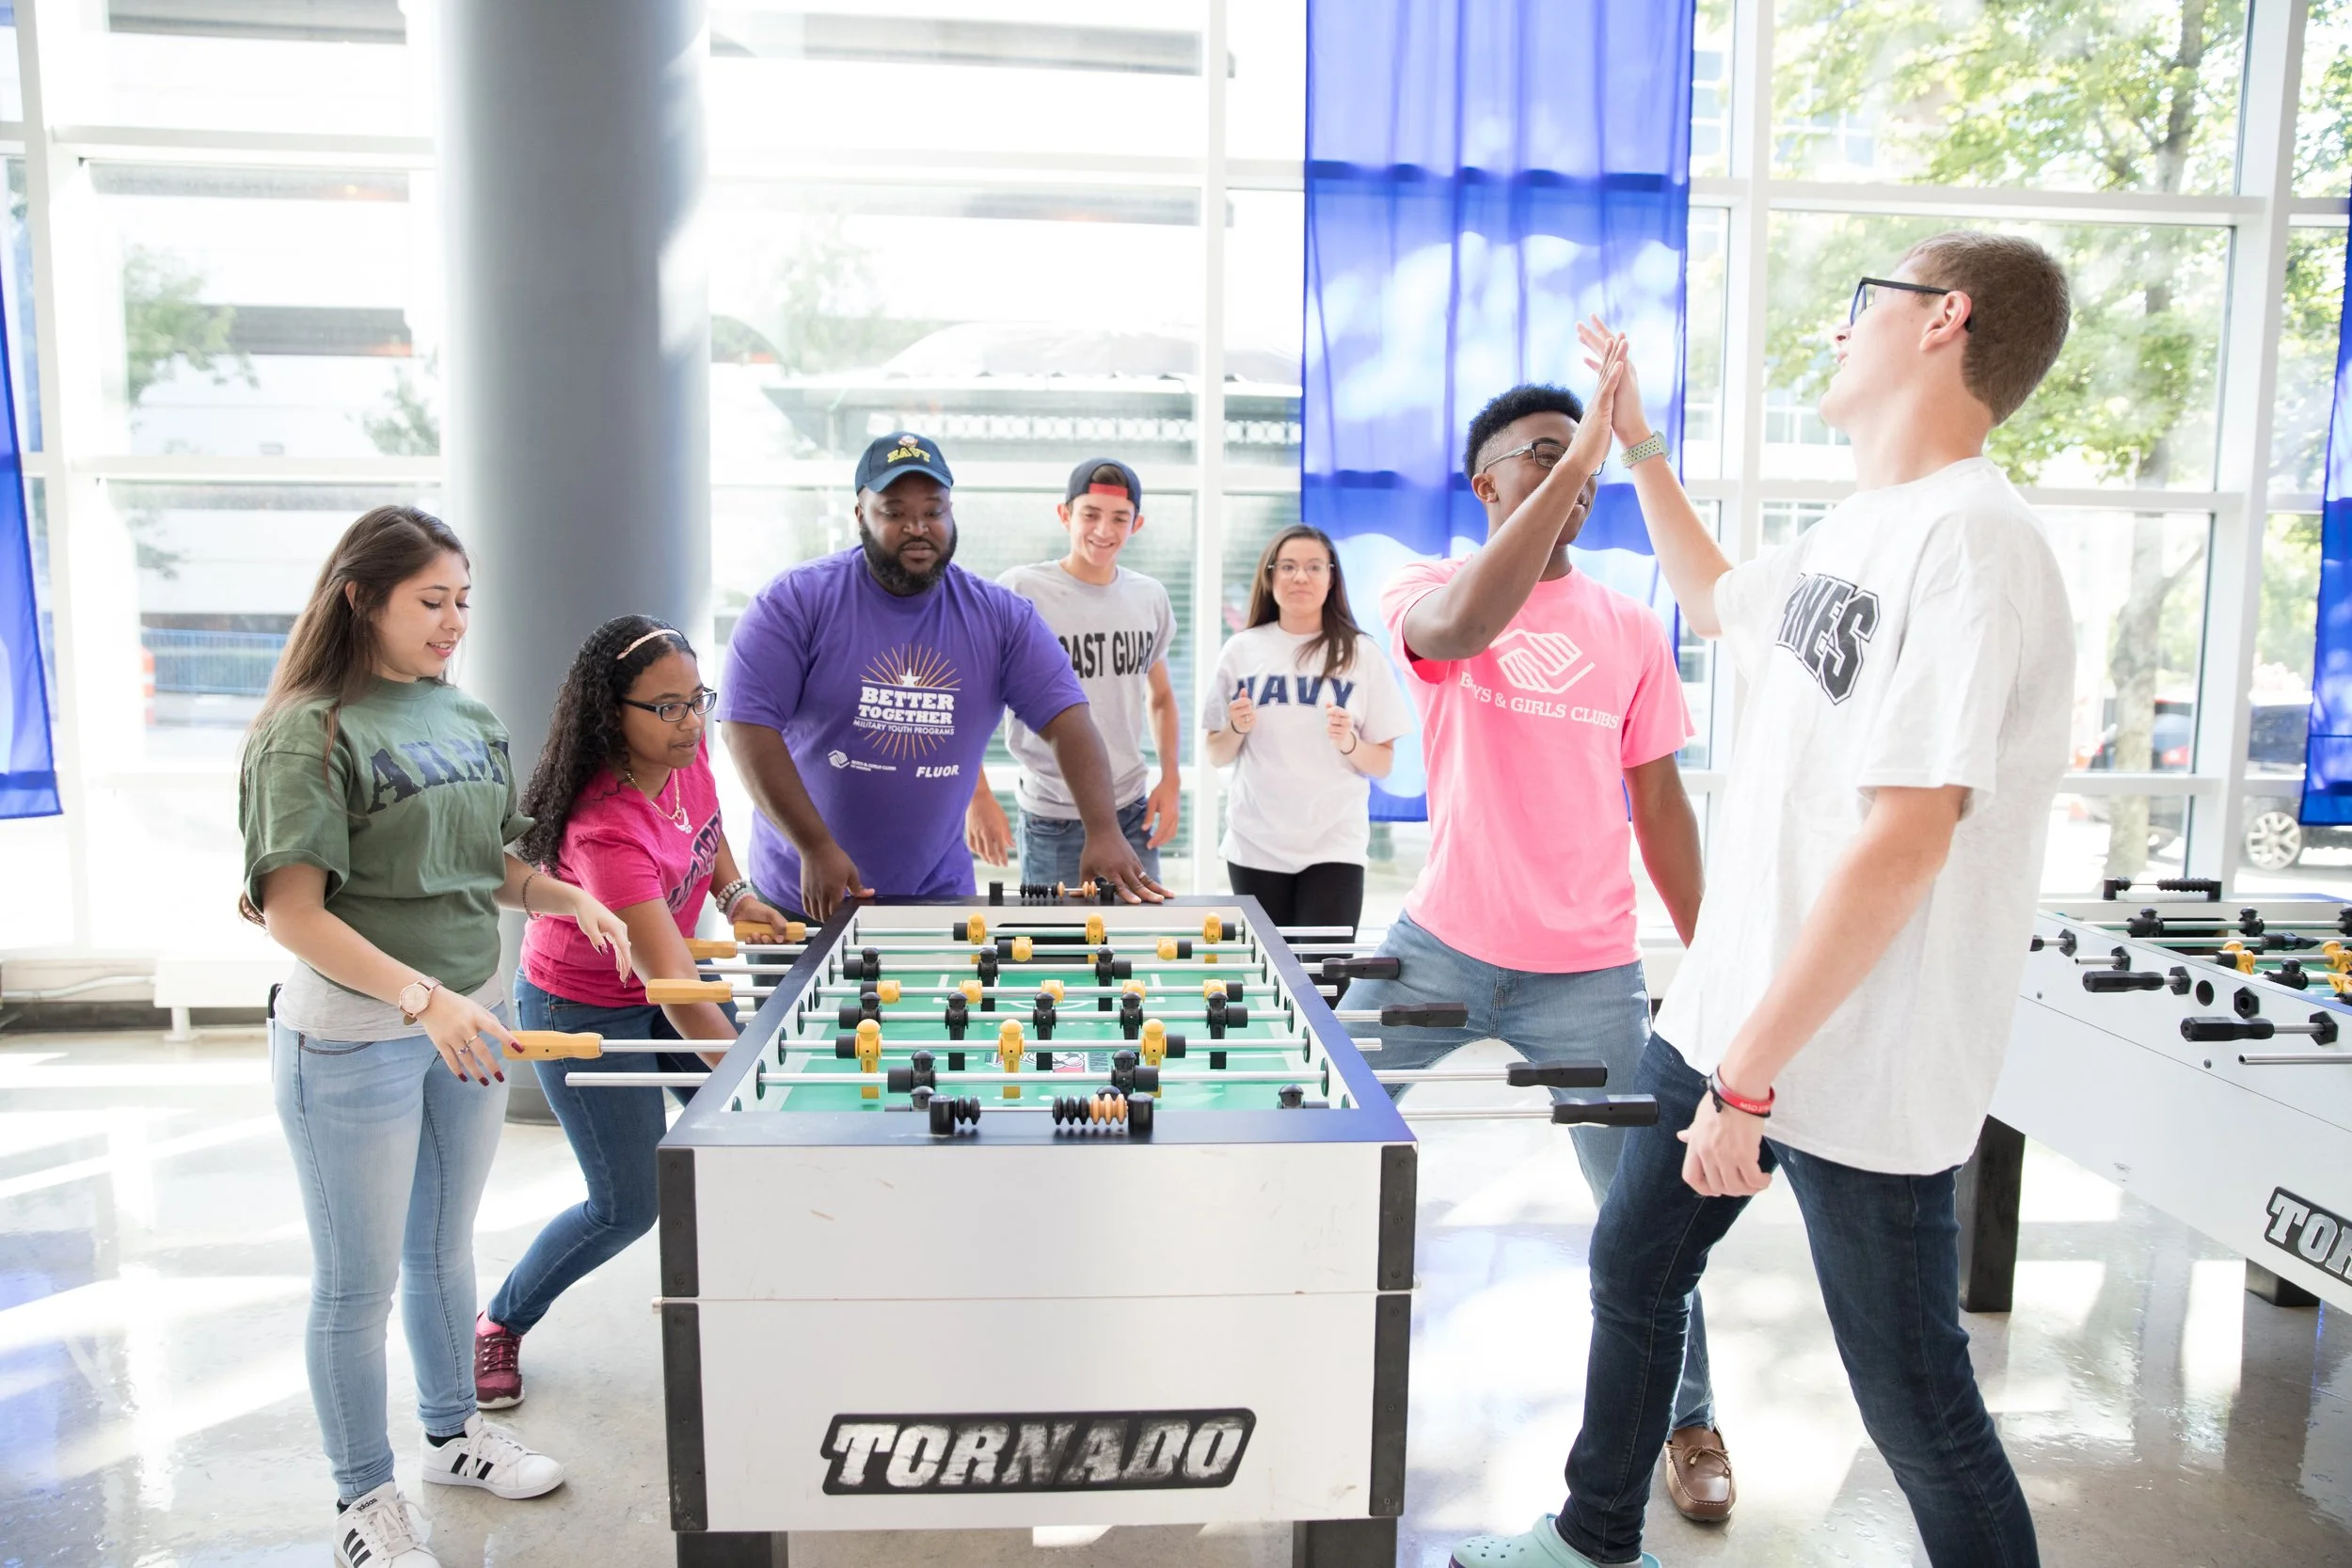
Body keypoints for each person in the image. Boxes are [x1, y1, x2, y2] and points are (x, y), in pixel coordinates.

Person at [1450, 234, 2073, 1568]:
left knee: (1918, 1408)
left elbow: (1907, 840)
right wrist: (1644, 449)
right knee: (1634, 1266)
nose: (1839, 331)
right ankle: (1595, 1531)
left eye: (1867, 305)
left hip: (1848, 1060)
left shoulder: (1975, 540)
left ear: (1944, 321)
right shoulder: (1865, 521)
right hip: (1730, 1016)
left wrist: (1752, 1082)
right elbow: (1721, 600)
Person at [1343, 341, 1734, 1520]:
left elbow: (1657, 801)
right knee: (1311, 1130)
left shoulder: (1626, 623)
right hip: (1437, 950)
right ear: (1487, 487)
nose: (1574, 477)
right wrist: (1586, 454)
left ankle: (1691, 1416)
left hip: (1591, 973)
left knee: (1649, 1218)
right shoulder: (1422, 585)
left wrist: (1713, 955)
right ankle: (1248, 1354)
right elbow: (1465, 627)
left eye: (1586, 460)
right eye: (1545, 457)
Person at [238, 506, 634, 1568]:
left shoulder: (465, 714)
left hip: (468, 1020)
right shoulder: (308, 728)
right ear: (362, 596)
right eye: (431, 600)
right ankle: (362, 1500)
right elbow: (294, 911)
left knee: (442, 1249)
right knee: (355, 1281)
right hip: (355, 1037)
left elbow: (486, 861)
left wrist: (562, 895)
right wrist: (423, 999)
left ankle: (453, 1433)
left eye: (464, 599)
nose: (454, 619)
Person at [471, 615, 792, 1412]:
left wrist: (736, 892)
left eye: (697, 701)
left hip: (657, 986)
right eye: (667, 707)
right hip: (585, 1003)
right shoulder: (603, 825)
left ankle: (762, 1306)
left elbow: (706, 827)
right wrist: (758, 1081)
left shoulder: (684, 756)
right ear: (612, 712)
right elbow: (676, 989)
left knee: (740, 1149)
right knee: (625, 1205)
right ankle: (498, 1320)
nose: (690, 723)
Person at [719, 431, 1168, 921]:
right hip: (805, 889)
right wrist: (813, 845)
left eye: (934, 511)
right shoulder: (793, 601)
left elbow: (1068, 720)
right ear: (860, 515)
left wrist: (1103, 829)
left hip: (936, 892)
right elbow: (746, 726)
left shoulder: (1000, 616)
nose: (918, 526)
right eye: (894, 512)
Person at [967, 458, 1182, 888]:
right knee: (1055, 952)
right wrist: (977, 796)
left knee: (1140, 947)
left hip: (1132, 813)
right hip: (1053, 817)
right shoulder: (1020, 590)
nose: (1104, 530)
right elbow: (971, 699)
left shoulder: (1150, 597)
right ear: (1065, 515)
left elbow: (1159, 696)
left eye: (1119, 518)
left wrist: (1171, 780)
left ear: (1136, 525)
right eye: (1090, 514)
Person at [1202, 524, 1410, 937]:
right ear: (1270, 576)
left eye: (1314, 567)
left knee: (1322, 977)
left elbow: (1383, 761)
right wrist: (1237, 728)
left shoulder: (1360, 653)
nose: (1301, 577)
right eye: (1289, 567)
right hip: (1255, 843)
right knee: (1267, 974)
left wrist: (1349, 741)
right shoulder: (1241, 650)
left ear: (1332, 577)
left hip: (1334, 844)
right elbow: (1216, 753)